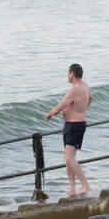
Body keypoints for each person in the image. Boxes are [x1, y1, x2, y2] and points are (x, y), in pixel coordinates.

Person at [42, 63, 92, 199]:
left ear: (72, 74)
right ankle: (71, 187)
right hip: (77, 124)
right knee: (69, 158)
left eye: (67, 73)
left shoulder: (74, 90)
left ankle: (85, 185)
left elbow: (60, 106)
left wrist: (49, 114)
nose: (67, 75)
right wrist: (80, 110)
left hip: (73, 126)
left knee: (69, 159)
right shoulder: (85, 86)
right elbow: (90, 99)